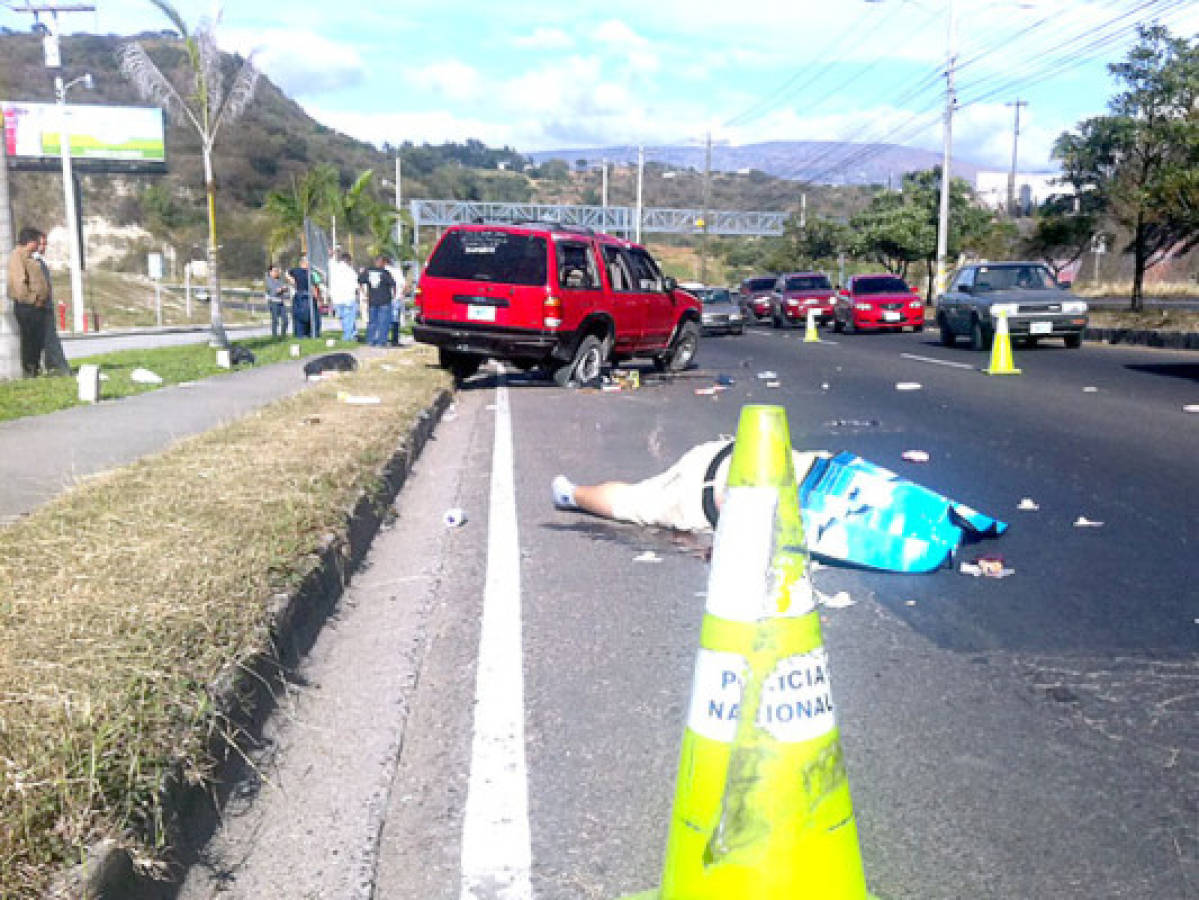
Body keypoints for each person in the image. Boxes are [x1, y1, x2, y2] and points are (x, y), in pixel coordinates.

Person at [550, 440, 1007, 574]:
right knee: (638, 499)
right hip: (743, 483)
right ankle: (570, 493)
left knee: (634, 499)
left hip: (718, 468)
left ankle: (569, 493)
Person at [6, 226, 50, 376]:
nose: (39, 245)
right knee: (29, 340)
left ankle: (35, 368)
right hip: (27, 307)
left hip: (38, 306)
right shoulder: (18, 256)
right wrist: (33, 299)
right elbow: (19, 284)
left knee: (37, 340)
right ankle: (30, 371)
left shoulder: (30, 257)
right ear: (30, 242)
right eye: (37, 242)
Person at [36, 234, 71, 375]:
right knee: (50, 340)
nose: (44, 247)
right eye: (42, 244)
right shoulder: (35, 263)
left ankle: (52, 367)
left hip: (47, 306)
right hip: (41, 307)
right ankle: (61, 369)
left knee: (49, 340)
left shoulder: (41, 262)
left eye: (45, 244)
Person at [358, 254, 396, 347]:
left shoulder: (367, 272)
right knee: (383, 323)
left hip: (372, 301)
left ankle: (370, 340)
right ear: (382, 263)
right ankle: (381, 341)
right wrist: (393, 295)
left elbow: (359, 281)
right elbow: (393, 284)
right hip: (384, 301)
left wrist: (364, 293)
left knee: (372, 322)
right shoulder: (385, 273)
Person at [329, 251, 360, 342]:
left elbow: (330, 262)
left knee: (344, 319)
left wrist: (331, 256)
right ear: (349, 261)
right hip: (348, 298)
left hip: (337, 299)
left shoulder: (334, 268)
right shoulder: (351, 272)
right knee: (349, 319)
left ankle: (353, 335)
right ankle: (347, 337)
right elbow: (356, 286)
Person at [287, 254, 315, 338]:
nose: (308, 264)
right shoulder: (296, 270)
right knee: (300, 315)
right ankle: (300, 334)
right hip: (300, 294)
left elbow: (314, 285)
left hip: (308, 294)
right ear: (302, 263)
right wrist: (291, 280)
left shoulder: (310, 272)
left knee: (309, 316)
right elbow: (287, 273)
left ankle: (308, 333)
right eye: (307, 262)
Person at [384, 256, 406, 346]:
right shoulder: (397, 271)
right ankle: (394, 340)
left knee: (385, 320)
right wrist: (401, 295)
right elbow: (404, 285)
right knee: (395, 321)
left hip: (385, 299)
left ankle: (384, 339)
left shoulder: (382, 271)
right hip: (396, 299)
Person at [264, 263, 290, 339]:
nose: (277, 272)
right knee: (275, 320)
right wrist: (282, 289)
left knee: (285, 320)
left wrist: (283, 288)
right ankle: (274, 336)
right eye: (275, 271)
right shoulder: (268, 280)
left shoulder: (279, 280)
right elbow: (275, 291)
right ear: (270, 272)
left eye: (277, 271)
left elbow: (286, 288)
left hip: (281, 302)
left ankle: (283, 336)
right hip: (273, 302)